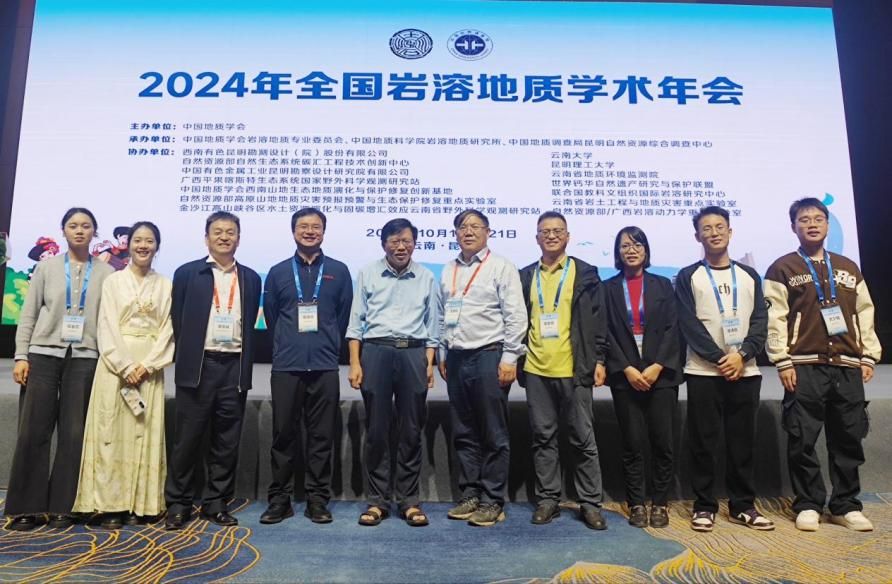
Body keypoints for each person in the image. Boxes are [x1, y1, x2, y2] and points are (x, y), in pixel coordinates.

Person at [764, 197, 882, 532]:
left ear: (828, 224)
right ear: (793, 227)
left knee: (848, 437)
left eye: (818, 218)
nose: (812, 224)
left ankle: (846, 505)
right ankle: (809, 503)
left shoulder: (848, 267)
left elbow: (865, 312)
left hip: (846, 364)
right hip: (803, 365)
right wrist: (782, 360)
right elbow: (775, 317)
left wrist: (868, 355)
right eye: (804, 220)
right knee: (802, 438)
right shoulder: (783, 268)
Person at [5, 208, 114, 531]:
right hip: (42, 355)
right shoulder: (47, 267)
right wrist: (21, 355)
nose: (79, 231)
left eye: (86, 226)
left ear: (95, 232)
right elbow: (28, 314)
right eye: (73, 225)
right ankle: (27, 508)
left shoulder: (107, 273)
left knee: (74, 433)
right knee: (33, 430)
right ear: (63, 231)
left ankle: (64, 507)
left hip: (85, 358)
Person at [675, 206, 774, 532]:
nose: (714, 232)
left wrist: (742, 355)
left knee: (742, 442)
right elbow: (688, 324)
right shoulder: (688, 276)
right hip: (703, 372)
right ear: (697, 236)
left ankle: (742, 505)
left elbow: (760, 321)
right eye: (707, 228)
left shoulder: (749, 275)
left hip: (745, 371)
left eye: (720, 226)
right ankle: (704, 506)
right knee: (703, 442)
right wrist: (721, 358)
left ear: (730, 232)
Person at [164, 211, 262, 530]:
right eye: (217, 231)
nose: (224, 237)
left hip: (234, 366)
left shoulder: (250, 278)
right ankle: (178, 504)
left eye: (230, 232)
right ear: (206, 238)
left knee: (226, 440)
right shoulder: (187, 273)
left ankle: (216, 503)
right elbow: (177, 319)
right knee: (187, 439)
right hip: (199, 366)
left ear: (239, 238)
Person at [73, 221, 174, 529]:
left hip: (149, 367)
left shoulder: (165, 284)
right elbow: (106, 325)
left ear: (157, 247)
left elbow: (168, 329)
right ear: (128, 245)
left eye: (149, 241)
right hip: (115, 367)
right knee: (111, 434)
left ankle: (141, 504)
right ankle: (110, 504)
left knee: (144, 433)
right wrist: (126, 366)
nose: (143, 246)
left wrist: (149, 365)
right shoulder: (113, 281)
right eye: (138, 240)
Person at [259, 208, 352, 525]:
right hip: (287, 366)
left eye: (316, 226)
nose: (310, 231)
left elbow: (343, 316)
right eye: (303, 226)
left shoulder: (339, 271)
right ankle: (280, 500)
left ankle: (317, 500)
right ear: (293, 231)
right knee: (283, 436)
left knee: (321, 437)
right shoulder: (278, 272)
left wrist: (327, 343)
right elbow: (272, 316)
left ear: (324, 232)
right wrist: (289, 344)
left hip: (325, 366)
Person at [346, 218, 440, 527]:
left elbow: (433, 326)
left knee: (411, 430)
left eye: (407, 241)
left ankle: (409, 501)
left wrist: (428, 362)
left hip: (413, 353)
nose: (401, 247)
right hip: (376, 351)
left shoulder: (427, 276)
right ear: (383, 244)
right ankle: (377, 501)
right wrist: (356, 362)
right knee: (377, 430)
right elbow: (356, 323)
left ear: (415, 243)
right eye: (394, 241)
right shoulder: (367, 273)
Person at [517, 211, 608, 530]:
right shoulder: (526, 276)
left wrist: (599, 359)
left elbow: (599, 320)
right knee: (543, 438)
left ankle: (590, 504)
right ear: (537, 238)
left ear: (568, 236)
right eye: (545, 231)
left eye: (558, 231)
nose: (552, 235)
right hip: (536, 369)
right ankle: (548, 500)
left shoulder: (585, 273)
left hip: (575, 369)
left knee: (583, 438)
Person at [438, 209, 527, 527]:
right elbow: (443, 314)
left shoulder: (501, 266)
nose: (468, 231)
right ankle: (470, 493)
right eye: (462, 227)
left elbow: (516, 315)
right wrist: (442, 352)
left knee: (493, 432)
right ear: (456, 233)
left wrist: (510, 358)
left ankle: (492, 499)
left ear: (488, 232)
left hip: (489, 355)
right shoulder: (448, 269)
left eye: (475, 226)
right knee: (464, 431)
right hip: (456, 357)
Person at [604, 226, 682, 529]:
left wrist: (658, 365)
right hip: (626, 376)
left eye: (637, 245)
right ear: (618, 252)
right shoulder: (608, 288)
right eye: (625, 246)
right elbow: (606, 332)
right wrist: (626, 367)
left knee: (663, 442)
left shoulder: (663, 285)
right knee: (632, 443)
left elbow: (673, 328)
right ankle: (636, 502)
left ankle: (660, 502)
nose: (631, 250)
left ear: (646, 250)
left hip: (660, 376)